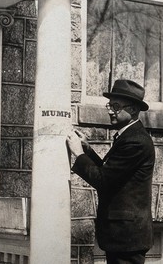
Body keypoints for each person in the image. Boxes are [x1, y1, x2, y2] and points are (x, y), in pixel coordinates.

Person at [66, 79, 156, 264]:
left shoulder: (136, 141)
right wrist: (88, 150)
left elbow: (104, 180)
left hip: (126, 237)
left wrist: (79, 154)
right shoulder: (129, 135)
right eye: (109, 105)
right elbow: (113, 172)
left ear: (132, 109)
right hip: (123, 235)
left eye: (115, 106)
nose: (109, 110)